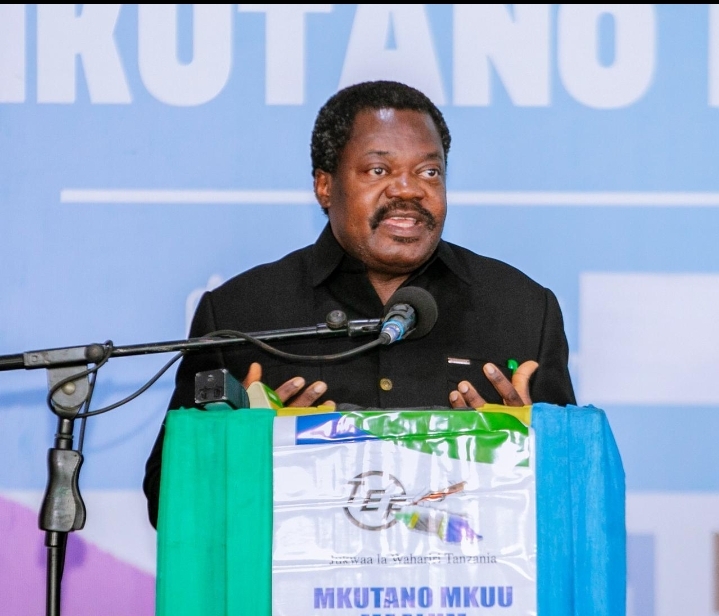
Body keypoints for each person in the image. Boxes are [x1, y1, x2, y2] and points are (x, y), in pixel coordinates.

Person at [143, 80, 575, 528]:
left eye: (429, 172)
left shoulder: (522, 309)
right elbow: (166, 500)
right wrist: (246, 448)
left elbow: (574, 492)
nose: (408, 190)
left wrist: (530, 442)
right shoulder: (240, 314)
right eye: (378, 170)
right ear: (324, 186)